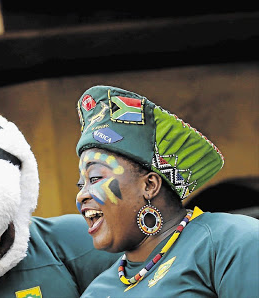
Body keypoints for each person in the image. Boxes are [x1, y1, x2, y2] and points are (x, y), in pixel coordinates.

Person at [74, 85, 259, 297]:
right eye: (81, 185)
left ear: (150, 185)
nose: (81, 195)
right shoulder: (96, 292)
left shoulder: (231, 242)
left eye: (95, 178)